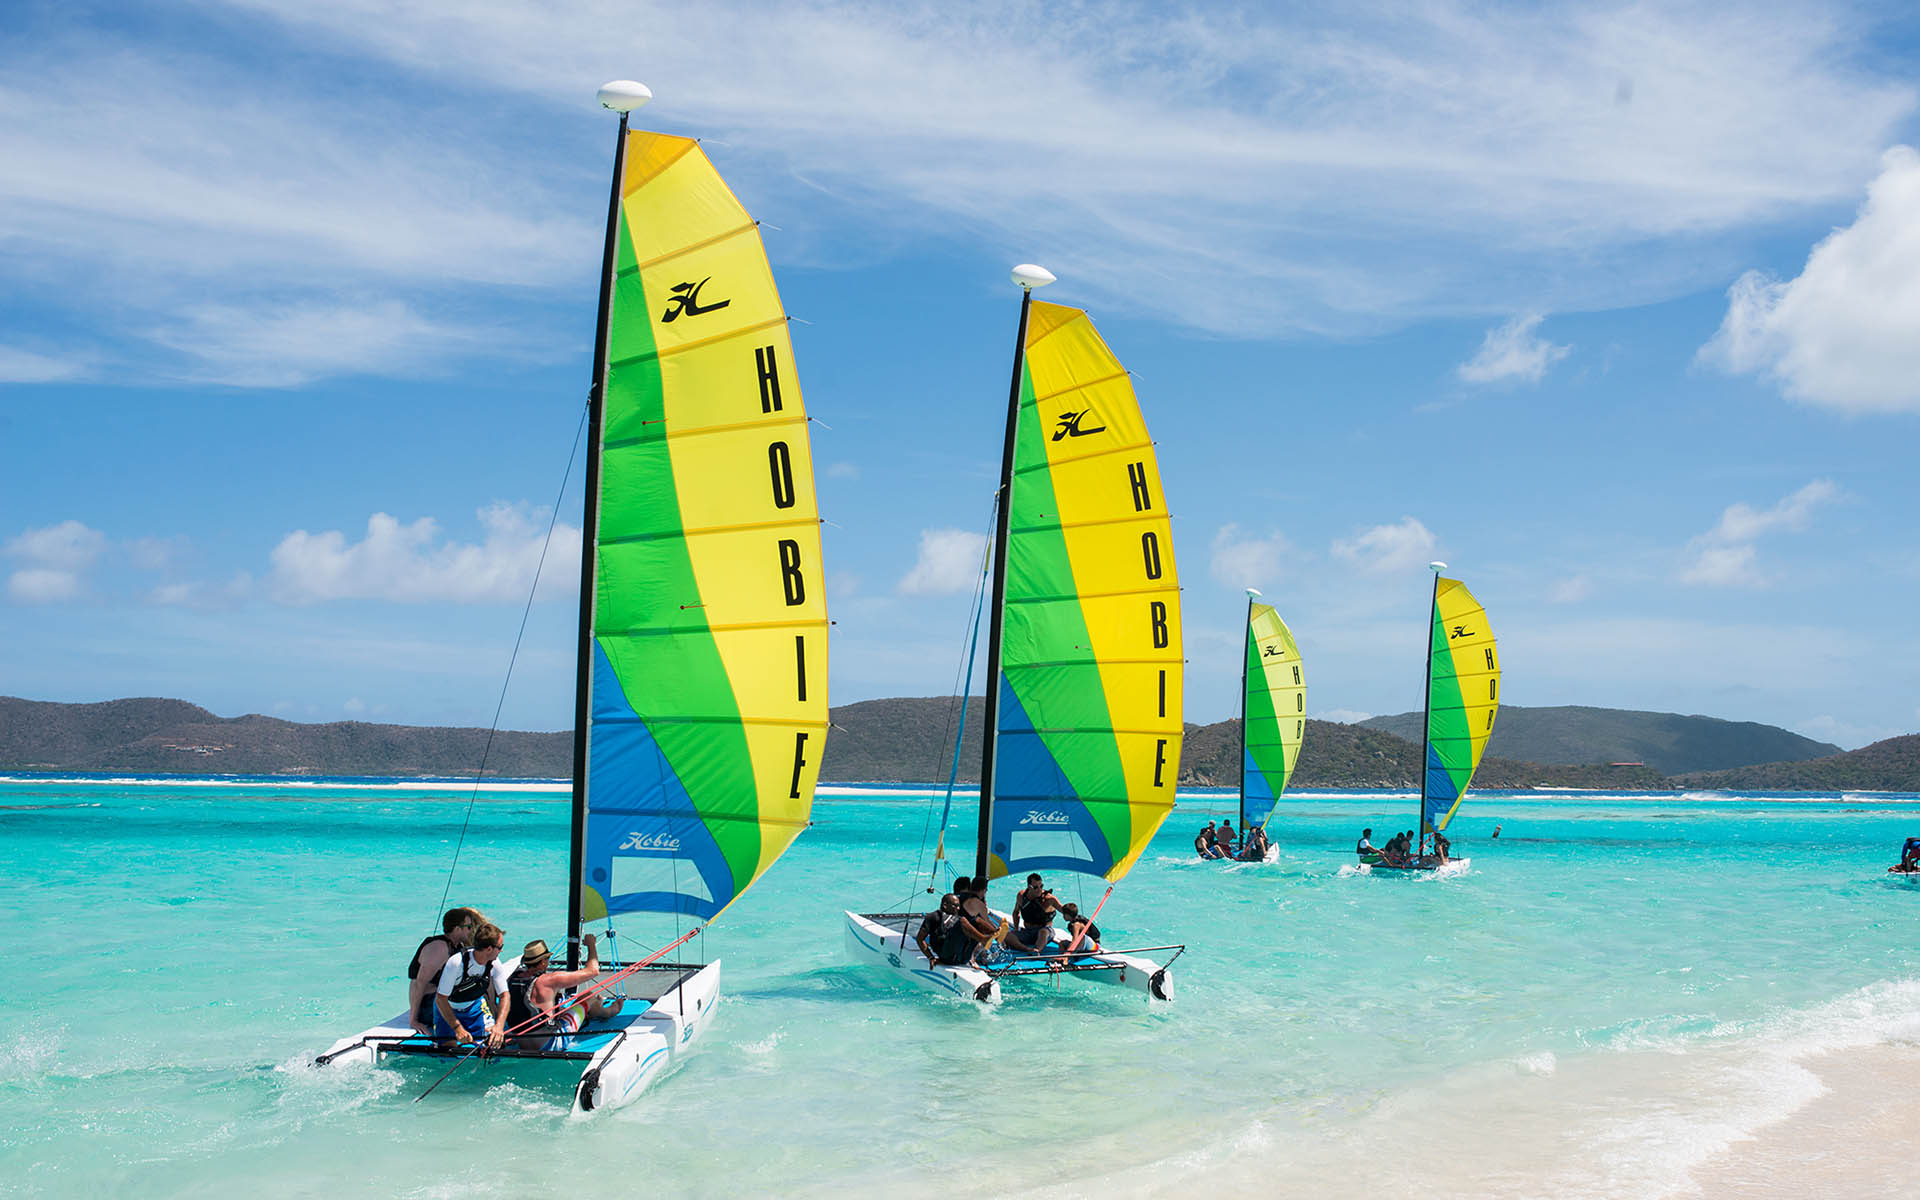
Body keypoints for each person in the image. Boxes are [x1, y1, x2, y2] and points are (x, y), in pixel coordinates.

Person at [508, 936, 625, 1052]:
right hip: (550, 1045)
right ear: (543, 962)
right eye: (548, 959)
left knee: (561, 1007)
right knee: (588, 998)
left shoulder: (512, 978)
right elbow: (593, 970)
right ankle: (609, 1011)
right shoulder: (549, 980)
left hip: (522, 1043)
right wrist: (591, 945)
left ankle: (593, 1009)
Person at [434, 921, 512, 1052]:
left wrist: (499, 1027)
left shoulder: (495, 963)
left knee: (494, 1045)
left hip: (474, 1008)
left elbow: (505, 995)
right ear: (489, 949)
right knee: (448, 1053)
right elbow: (440, 999)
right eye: (500, 947)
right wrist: (457, 1028)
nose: (502, 950)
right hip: (447, 1009)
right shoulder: (456, 963)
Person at [407, 907, 483, 1035]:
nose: (471, 931)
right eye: (469, 927)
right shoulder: (439, 948)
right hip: (428, 1005)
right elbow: (419, 984)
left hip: (441, 999)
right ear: (458, 929)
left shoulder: (458, 945)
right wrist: (414, 1020)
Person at [1009, 873, 1061, 952]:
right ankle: (1026, 949)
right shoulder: (1021, 896)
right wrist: (1016, 929)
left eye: (1041, 886)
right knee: (1007, 935)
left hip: (1045, 933)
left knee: (1043, 932)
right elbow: (1016, 913)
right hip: (1028, 932)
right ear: (1029, 887)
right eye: (1036, 887)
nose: (1039, 889)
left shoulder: (1049, 899)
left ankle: (1036, 950)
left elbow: (1066, 911)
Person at [915, 892, 967, 964]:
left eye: (959, 906)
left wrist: (972, 960)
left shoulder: (957, 917)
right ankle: (983, 939)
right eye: (955, 905)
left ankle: (985, 941)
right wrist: (930, 957)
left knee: (975, 921)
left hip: (959, 957)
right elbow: (920, 939)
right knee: (963, 922)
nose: (958, 908)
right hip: (945, 954)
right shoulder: (934, 917)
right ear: (945, 905)